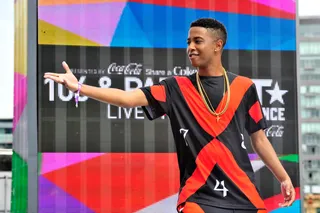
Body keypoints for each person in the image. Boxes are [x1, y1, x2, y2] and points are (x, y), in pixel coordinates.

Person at [44, 18, 295, 213]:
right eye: (188, 42)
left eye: (197, 41)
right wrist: (79, 87)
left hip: (244, 193)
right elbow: (126, 98)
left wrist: (283, 178)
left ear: (218, 45)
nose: (190, 48)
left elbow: (259, 140)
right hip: (199, 195)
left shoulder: (244, 87)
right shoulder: (175, 87)